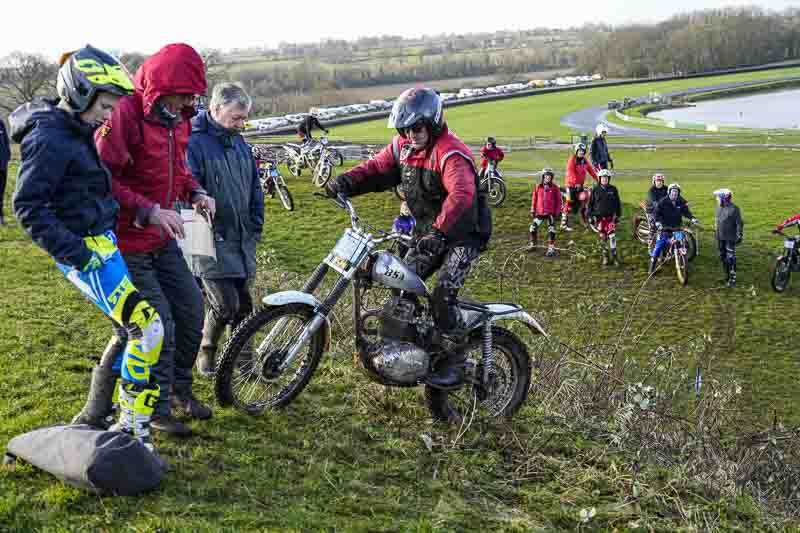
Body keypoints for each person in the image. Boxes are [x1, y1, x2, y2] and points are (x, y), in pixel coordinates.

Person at [11, 45, 166, 461]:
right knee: (148, 329)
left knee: (127, 330)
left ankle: (96, 416)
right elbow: (27, 207)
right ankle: (132, 424)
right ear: (79, 92)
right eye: (105, 104)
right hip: (87, 254)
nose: (109, 114)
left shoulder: (76, 132)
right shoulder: (50, 138)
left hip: (104, 243)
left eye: (113, 107)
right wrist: (77, 254)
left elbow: (85, 190)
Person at [324, 87, 491, 389]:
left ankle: (456, 362)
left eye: (416, 127)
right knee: (400, 284)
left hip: (464, 232)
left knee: (442, 294)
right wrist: (345, 182)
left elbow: (462, 196)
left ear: (433, 123)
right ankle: (411, 353)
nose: (410, 134)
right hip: (429, 231)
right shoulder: (402, 147)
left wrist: (440, 233)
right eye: (404, 129)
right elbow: (377, 169)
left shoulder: (450, 153)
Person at [95, 43, 215, 436]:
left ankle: (180, 390)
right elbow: (100, 178)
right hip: (126, 241)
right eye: (183, 95)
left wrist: (194, 192)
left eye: (192, 97)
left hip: (161, 238)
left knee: (192, 309)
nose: (187, 104)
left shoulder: (177, 118)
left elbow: (177, 169)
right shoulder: (125, 113)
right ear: (164, 87)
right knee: (157, 323)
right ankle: (156, 408)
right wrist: (146, 209)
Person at [187, 83, 264, 377]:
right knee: (225, 303)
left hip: (241, 235)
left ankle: (244, 365)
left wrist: (255, 222)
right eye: (236, 118)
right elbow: (188, 186)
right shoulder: (193, 142)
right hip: (205, 234)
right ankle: (206, 351)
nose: (241, 124)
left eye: (244, 118)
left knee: (244, 303)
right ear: (216, 109)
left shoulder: (239, 143)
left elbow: (254, 186)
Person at [649, 183, 699, 275]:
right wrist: (657, 222)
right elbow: (656, 213)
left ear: (678, 194)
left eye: (676, 193)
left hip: (677, 227)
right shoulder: (662, 202)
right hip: (665, 228)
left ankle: (682, 260)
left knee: (680, 242)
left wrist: (692, 218)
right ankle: (651, 268)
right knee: (659, 246)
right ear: (669, 192)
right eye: (672, 193)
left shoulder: (680, 201)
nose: (674, 195)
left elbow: (686, 212)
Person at [588, 169, 622, 266]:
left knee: (612, 237)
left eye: (606, 178)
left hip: (610, 218)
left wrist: (618, 215)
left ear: (609, 179)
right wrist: (590, 216)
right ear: (599, 179)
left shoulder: (613, 189)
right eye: (603, 178)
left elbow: (617, 203)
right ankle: (605, 257)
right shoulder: (595, 189)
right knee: (603, 238)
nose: (604, 180)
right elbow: (590, 204)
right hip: (599, 219)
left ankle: (615, 257)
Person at [562, 143, 598, 231]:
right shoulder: (572, 159)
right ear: (576, 151)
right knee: (569, 202)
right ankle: (563, 223)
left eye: (583, 151)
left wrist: (598, 179)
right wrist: (575, 183)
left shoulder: (584, 160)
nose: (581, 153)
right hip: (571, 185)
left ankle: (583, 219)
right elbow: (570, 172)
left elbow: (591, 170)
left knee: (585, 200)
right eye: (580, 151)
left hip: (580, 186)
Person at [713, 188, 743, 288]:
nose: (716, 199)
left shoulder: (734, 209)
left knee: (731, 258)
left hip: (730, 238)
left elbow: (739, 223)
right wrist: (715, 232)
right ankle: (726, 276)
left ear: (723, 198)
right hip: (720, 236)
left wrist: (739, 235)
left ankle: (732, 279)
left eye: (718, 197)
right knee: (722, 256)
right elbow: (717, 221)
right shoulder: (718, 208)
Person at [529, 167, 561, 256]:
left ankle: (551, 248)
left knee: (551, 230)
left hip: (550, 213)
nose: (548, 177)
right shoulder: (538, 187)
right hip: (540, 213)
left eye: (550, 176)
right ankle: (533, 244)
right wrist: (532, 209)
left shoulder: (555, 188)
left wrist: (557, 212)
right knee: (532, 228)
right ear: (543, 176)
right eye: (546, 176)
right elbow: (534, 199)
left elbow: (559, 201)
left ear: (552, 177)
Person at [0, 115, 9, 225]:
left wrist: (7, 156)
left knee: (1, 193)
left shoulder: (0, 123)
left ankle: (1, 217)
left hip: (2, 165)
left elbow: (6, 142)